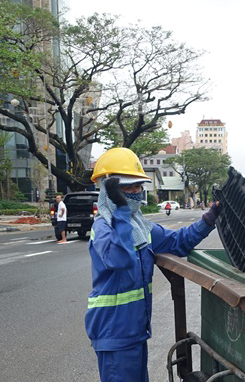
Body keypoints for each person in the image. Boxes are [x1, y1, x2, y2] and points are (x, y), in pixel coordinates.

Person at [85, 147, 220, 382]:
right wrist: (122, 214)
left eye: (138, 186)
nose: (136, 192)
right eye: (128, 187)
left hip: (135, 332)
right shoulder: (103, 228)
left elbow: (177, 242)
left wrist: (209, 220)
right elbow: (120, 259)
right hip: (114, 333)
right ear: (109, 191)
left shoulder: (141, 226)